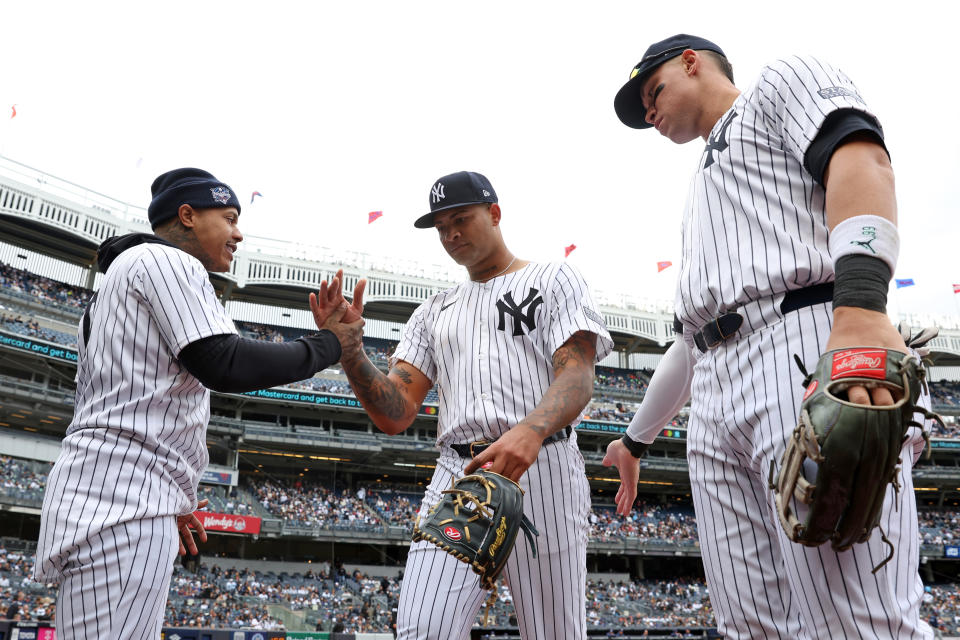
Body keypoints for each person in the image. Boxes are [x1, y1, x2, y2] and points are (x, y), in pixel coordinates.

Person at [602, 34, 932, 638]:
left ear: (692, 62)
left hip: (800, 338)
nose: (648, 113)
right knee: (751, 626)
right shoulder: (701, 186)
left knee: (858, 621)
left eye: (653, 91)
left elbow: (860, 157)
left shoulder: (777, 84)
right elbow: (690, 339)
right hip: (713, 384)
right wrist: (634, 440)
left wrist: (860, 306)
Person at [34, 168, 359, 639]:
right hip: (127, 501)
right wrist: (330, 344)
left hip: (109, 490)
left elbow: (127, 403)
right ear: (187, 216)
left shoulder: (113, 288)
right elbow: (223, 361)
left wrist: (172, 496)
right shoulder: (165, 261)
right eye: (228, 218)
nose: (238, 232)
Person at [313, 170, 613, 639]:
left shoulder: (553, 277)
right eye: (441, 227)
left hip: (545, 464)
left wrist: (531, 430)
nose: (451, 234)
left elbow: (577, 372)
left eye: (461, 219)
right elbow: (396, 412)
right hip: (460, 474)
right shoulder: (433, 311)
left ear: (494, 214)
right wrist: (350, 351)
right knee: (422, 631)